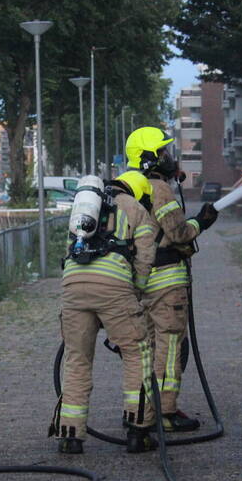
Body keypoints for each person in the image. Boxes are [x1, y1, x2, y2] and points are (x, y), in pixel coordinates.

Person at [52, 170, 158, 454]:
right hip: (114, 286)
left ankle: (70, 435)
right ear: (139, 192)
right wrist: (136, 291)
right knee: (137, 352)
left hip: (73, 285)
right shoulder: (136, 209)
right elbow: (146, 257)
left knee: (77, 359)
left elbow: (69, 248)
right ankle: (138, 431)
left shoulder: (85, 208)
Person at [125, 127, 218, 431]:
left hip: (143, 280)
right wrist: (201, 222)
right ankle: (165, 413)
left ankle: (142, 411)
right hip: (167, 282)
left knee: (148, 348)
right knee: (170, 349)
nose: (169, 157)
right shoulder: (158, 187)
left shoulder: (131, 188)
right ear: (150, 157)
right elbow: (178, 232)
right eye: (163, 152)